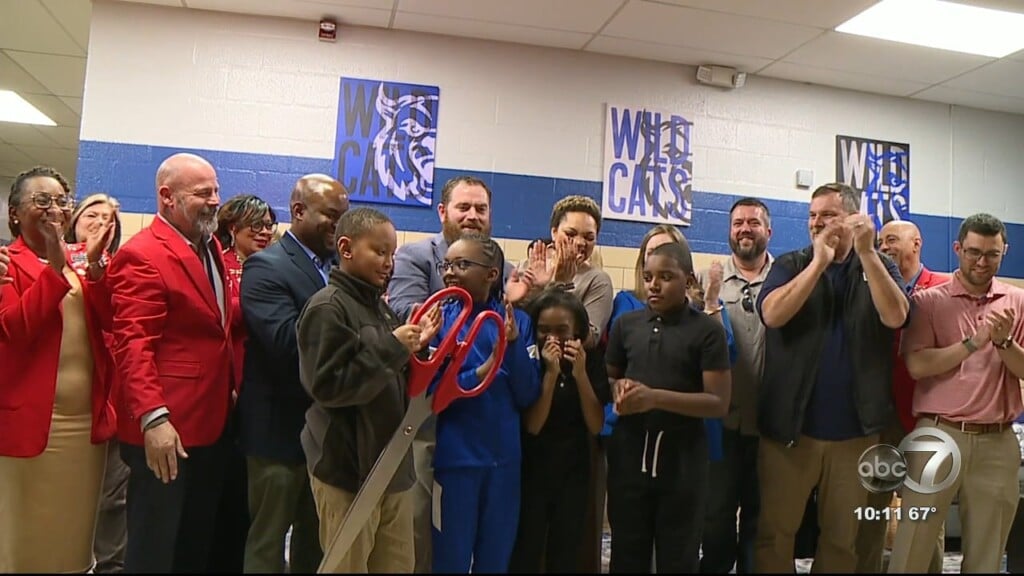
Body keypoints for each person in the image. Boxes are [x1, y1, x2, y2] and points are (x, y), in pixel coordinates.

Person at [754, 183, 910, 573]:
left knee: (843, 540)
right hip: (791, 432)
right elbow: (772, 315)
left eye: (828, 215)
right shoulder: (791, 263)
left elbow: (896, 316)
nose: (817, 223)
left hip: (855, 435)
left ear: (854, 219)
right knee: (776, 534)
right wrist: (819, 263)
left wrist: (868, 253)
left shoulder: (878, 264)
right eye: (812, 215)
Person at [107, 152, 236, 573]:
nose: (216, 200)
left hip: (210, 423)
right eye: (203, 193)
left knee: (194, 544)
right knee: (155, 547)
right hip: (166, 430)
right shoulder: (142, 254)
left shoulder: (209, 244)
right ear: (167, 197)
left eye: (216, 190)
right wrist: (153, 419)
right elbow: (133, 343)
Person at [297, 207, 440, 573]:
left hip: (391, 466)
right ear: (346, 248)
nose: (388, 263)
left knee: (397, 565)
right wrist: (394, 347)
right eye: (379, 252)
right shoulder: (327, 308)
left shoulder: (379, 307)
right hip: (347, 471)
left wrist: (416, 349)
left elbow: (391, 379)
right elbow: (328, 387)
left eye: (392, 254)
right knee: (348, 566)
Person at [388, 175, 513, 573]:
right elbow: (409, 313)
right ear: (443, 212)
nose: (473, 216)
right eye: (464, 207)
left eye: (481, 209)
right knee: (430, 540)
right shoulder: (415, 256)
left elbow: (508, 323)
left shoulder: (503, 266)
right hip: (426, 418)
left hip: (482, 425)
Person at [890, 213, 1024, 573]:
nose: (982, 262)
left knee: (987, 551)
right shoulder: (928, 301)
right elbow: (917, 366)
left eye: (992, 254)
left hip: (997, 440)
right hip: (937, 433)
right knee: (913, 545)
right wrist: (972, 343)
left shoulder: (1018, 301)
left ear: (1004, 251)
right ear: (957, 249)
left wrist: (1004, 342)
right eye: (973, 252)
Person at [0, 167, 117, 573]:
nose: (54, 210)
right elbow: (15, 329)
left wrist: (99, 272)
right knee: (24, 541)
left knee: (73, 541)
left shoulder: (83, 261)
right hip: (32, 424)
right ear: (15, 214)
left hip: (84, 429)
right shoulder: (5, 263)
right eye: (41, 201)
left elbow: (110, 325)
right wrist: (53, 269)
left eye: (60, 201)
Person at [237, 174, 348, 573]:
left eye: (344, 218)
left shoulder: (339, 269)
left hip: (326, 437)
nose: (340, 227)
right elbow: (287, 343)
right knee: (268, 544)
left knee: (316, 545)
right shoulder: (266, 267)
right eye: (331, 217)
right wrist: (356, 340)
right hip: (278, 433)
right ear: (299, 211)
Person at [605, 241, 731, 573]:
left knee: (678, 556)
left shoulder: (706, 331)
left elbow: (718, 402)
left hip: (682, 463)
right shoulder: (627, 325)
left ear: (688, 281)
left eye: (665, 277)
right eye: (648, 276)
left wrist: (655, 397)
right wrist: (620, 389)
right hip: (630, 456)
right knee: (627, 553)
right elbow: (608, 379)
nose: (654, 285)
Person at [430, 232, 541, 573]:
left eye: (462, 264)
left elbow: (527, 394)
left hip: (504, 466)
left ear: (492, 273)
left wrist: (511, 348)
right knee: (450, 559)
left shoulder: (517, 322)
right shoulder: (438, 320)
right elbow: (433, 394)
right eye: (446, 264)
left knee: (495, 560)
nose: (450, 272)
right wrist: (484, 368)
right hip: (455, 463)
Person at [855, 219, 948, 574]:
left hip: (927, 418)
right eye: (880, 242)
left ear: (917, 243)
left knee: (924, 517)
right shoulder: (871, 287)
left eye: (892, 239)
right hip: (880, 417)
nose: (885, 247)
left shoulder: (942, 289)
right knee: (870, 512)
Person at [510, 289, 610, 573]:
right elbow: (533, 425)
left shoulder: (590, 359)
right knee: (526, 549)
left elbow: (595, 423)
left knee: (566, 550)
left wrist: (579, 375)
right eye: (544, 330)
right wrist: (551, 375)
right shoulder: (531, 359)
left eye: (561, 331)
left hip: (573, 468)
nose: (552, 339)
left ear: (577, 330)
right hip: (532, 467)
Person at [698, 198, 773, 574]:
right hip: (721, 423)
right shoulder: (706, 279)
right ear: (729, 230)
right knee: (716, 516)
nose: (745, 228)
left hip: (770, 424)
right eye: (738, 223)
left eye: (754, 223)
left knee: (760, 519)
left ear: (768, 231)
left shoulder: (787, 278)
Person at [66, 192, 128, 574]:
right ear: (74, 219)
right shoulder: (48, 262)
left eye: (109, 218)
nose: (100, 221)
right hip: (65, 401)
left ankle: (111, 565)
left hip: (114, 396)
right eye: (92, 213)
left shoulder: (121, 268)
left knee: (113, 497)